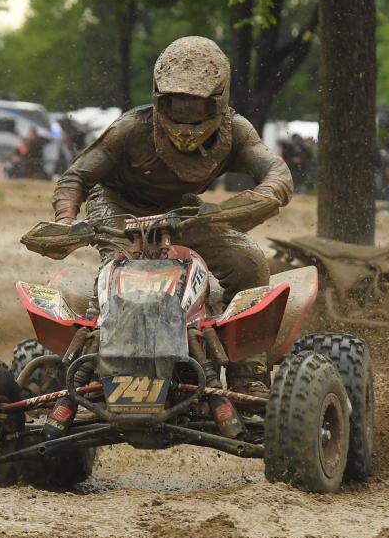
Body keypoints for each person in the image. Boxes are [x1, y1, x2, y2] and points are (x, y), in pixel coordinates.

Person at [52, 36, 293, 397]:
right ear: (158, 96)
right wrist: (65, 221)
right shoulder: (131, 128)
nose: (184, 114)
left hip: (184, 213)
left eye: (194, 105)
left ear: (218, 99)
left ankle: (249, 371)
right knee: (121, 271)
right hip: (118, 205)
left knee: (249, 263)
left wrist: (240, 207)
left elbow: (278, 174)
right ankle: (88, 364)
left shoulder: (236, 131)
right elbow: (77, 177)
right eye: (176, 102)